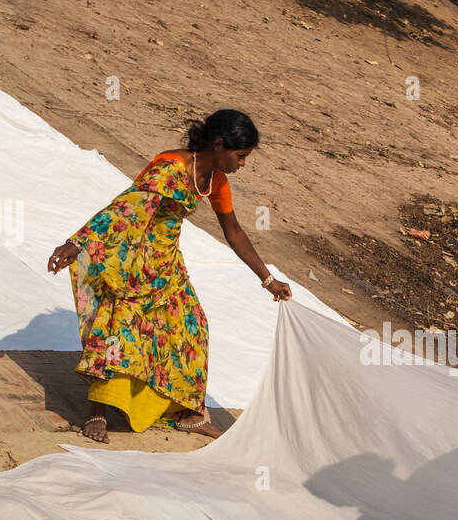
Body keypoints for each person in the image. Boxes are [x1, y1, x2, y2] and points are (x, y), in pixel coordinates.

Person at [47, 109, 291, 443]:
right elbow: (126, 208)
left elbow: (233, 231)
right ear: (219, 145)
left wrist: (268, 280)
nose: (242, 164)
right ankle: (97, 413)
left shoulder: (216, 180)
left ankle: (189, 414)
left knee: (193, 327)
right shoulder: (171, 167)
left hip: (166, 263)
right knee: (121, 329)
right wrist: (79, 242)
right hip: (134, 257)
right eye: (241, 156)